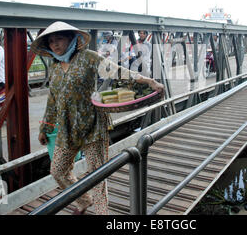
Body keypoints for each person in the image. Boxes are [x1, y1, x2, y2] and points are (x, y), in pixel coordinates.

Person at [31, 21, 164, 215]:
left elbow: (118, 71)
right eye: (51, 41)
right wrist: (45, 127)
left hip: (92, 125)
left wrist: (149, 81)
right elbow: (52, 100)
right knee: (58, 170)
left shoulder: (88, 58)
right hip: (67, 128)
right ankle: (84, 201)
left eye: (59, 38)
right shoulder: (55, 67)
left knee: (97, 176)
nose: (55, 44)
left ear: (71, 39)